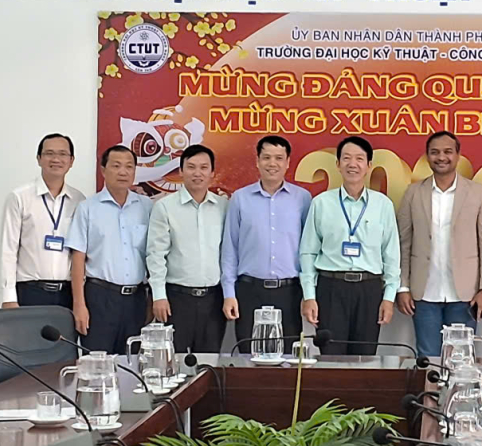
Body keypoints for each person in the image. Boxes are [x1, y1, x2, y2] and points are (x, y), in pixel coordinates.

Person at [396, 131, 482, 359]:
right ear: (427, 157)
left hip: (466, 295)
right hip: (424, 293)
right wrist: (402, 287)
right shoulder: (413, 193)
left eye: (447, 152)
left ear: (458, 156)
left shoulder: (477, 193)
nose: (441, 157)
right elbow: (403, 244)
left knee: (461, 359)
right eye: (435, 152)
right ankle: (430, 386)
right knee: (428, 358)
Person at [299, 137, 400, 356]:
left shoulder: (383, 205)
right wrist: (309, 295)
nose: (352, 164)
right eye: (346, 158)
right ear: (338, 164)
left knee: (365, 358)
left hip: (369, 289)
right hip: (331, 288)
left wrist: (389, 297)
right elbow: (308, 252)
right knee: (330, 358)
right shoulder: (321, 203)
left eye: (359, 159)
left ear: (369, 165)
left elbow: (391, 255)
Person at [222, 136, 312, 354]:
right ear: (257, 161)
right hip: (249, 290)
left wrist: (309, 294)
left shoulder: (303, 199)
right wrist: (229, 293)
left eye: (279, 158)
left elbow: (309, 249)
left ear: (288, 162)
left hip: (289, 292)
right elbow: (230, 249)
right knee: (248, 355)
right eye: (267, 157)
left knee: (288, 358)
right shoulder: (240, 198)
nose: (273, 164)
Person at [66, 145, 153, 354]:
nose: (123, 172)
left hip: (137, 300)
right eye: (116, 166)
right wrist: (79, 305)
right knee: (97, 362)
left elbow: (154, 255)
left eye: (129, 167)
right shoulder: (88, 208)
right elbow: (77, 260)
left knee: (133, 362)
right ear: (103, 170)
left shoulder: (147, 207)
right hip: (100, 298)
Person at [145, 145, 229, 354]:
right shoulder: (165, 207)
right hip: (176, 299)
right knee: (173, 361)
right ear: (181, 171)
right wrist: (159, 295)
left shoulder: (223, 207)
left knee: (209, 362)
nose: (197, 173)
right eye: (191, 167)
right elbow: (156, 255)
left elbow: (229, 253)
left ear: (212, 172)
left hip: (213, 299)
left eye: (203, 167)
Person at [0, 133, 85, 310]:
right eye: (49, 153)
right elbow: (9, 250)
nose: (56, 159)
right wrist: (9, 297)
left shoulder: (79, 200)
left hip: (67, 294)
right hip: (30, 291)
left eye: (62, 154)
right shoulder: (20, 197)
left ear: (71, 161)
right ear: (39, 158)